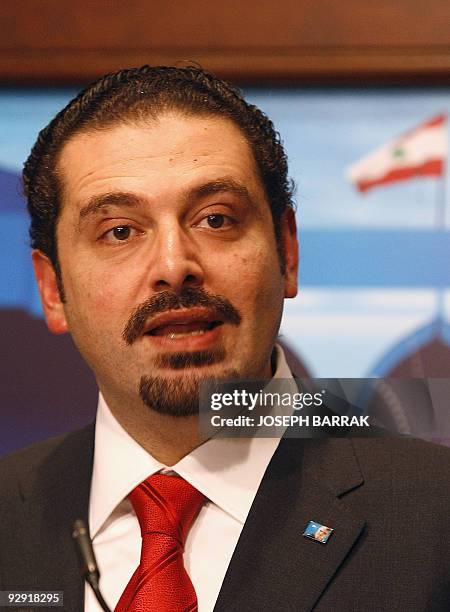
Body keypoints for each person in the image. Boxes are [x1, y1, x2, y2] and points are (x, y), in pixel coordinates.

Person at [1, 65, 450, 612]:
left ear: (287, 253)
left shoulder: (435, 516)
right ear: (52, 289)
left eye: (215, 219)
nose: (173, 265)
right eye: (119, 231)